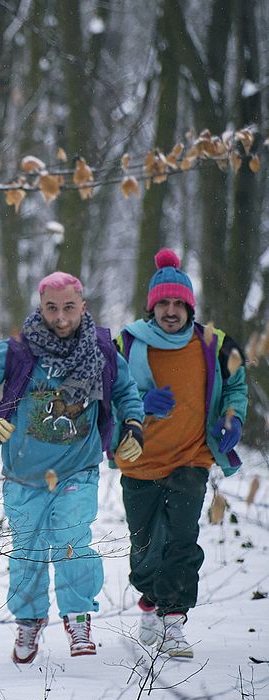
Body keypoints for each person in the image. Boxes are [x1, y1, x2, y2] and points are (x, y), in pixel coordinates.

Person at [0, 271, 145, 664]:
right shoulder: (18, 351)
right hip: (24, 473)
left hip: (79, 469)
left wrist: (133, 424)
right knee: (28, 550)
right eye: (52, 308)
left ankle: (78, 618)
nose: (61, 317)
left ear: (83, 306)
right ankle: (29, 619)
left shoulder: (102, 349)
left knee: (72, 539)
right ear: (40, 307)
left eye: (69, 308)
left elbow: (126, 391)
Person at [114, 249, 247, 658]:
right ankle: (150, 601)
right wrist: (138, 402)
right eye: (163, 303)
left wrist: (232, 417)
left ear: (190, 306)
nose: (171, 311)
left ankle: (175, 618)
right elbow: (108, 396)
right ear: (151, 306)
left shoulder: (216, 344)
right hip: (139, 460)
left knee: (183, 539)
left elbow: (237, 387)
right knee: (145, 544)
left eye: (179, 303)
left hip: (192, 458)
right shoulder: (127, 342)